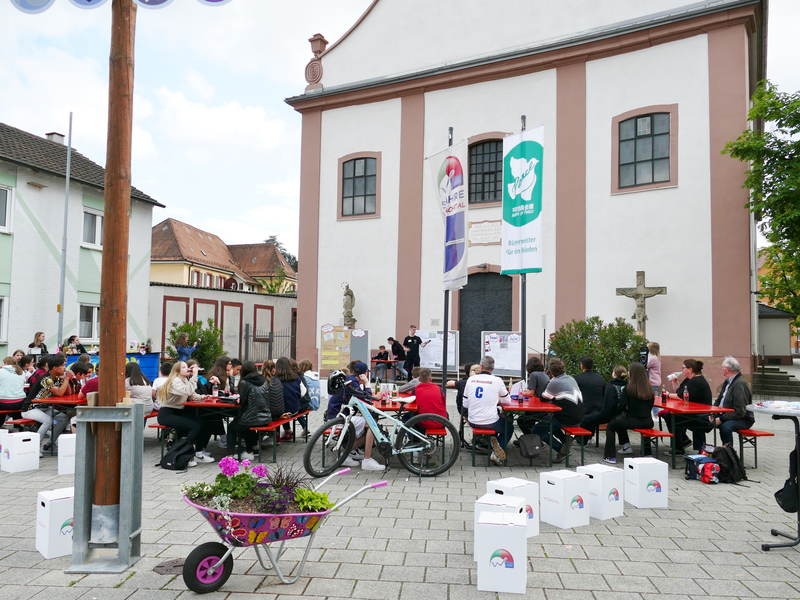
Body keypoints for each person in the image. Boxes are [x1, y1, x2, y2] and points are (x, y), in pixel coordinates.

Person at [326, 361, 385, 471]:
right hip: (339, 418)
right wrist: (367, 384)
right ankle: (366, 460)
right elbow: (366, 400)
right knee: (372, 424)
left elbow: (361, 397)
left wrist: (367, 392)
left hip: (336, 415)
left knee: (369, 426)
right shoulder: (352, 382)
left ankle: (348, 453)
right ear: (364, 374)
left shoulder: (350, 380)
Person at [156, 361, 214, 466]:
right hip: (167, 413)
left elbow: (191, 395)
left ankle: (199, 453)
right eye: (184, 367)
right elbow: (186, 391)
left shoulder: (184, 380)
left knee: (202, 422)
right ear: (177, 370)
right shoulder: (175, 381)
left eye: (187, 367)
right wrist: (194, 376)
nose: (187, 369)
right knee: (194, 426)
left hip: (178, 411)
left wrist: (203, 397)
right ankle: (182, 453)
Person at [531, 357, 584, 463]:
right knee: (550, 422)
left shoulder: (554, 383)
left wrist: (550, 382)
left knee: (537, 430)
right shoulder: (570, 378)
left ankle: (561, 450)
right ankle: (566, 440)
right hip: (579, 416)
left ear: (550, 372)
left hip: (566, 417)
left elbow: (543, 397)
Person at [463, 355, 512, 466]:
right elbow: (507, 401)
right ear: (493, 368)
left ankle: (489, 441)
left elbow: (465, 404)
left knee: (496, 422)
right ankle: (496, 451)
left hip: (473, 421)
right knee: (508, 426)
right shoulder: (497, 380)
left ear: (481, 366)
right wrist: (497, 399)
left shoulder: (471, 379)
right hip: (491, 422)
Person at [603, 363, 655, 464]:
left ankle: (610, 456)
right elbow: (651, 405)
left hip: (632, 420)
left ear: (633, 374)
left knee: (611, 426)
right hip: (648, 421)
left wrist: (617, 414)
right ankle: (647, 453)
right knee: (644, 429)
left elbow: (622, 406)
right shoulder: (650, 389)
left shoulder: (629, 388)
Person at [21, 355, 74, 452]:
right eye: (62, 366)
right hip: (30, 408)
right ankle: (36, 448)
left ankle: (50, 444)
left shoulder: (56, 378)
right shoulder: (46, 379)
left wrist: (65, 379)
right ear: (55, 368)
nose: (65, 368)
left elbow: (68, 393)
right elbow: (59, 393)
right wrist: (66, 379)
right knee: (48, 421)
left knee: (63, 418)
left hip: (44, 408)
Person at [663, 358, 713, 454]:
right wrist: (674, 381)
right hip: (692, 412)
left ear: (690, 369)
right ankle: (683, 441)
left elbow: (681, 397)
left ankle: (679, 446)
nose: (682, 370)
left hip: (701, 416)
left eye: (683, 368)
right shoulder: (689, 379)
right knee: (670, 415)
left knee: (671, 416)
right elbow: (679, 392)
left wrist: (667, 395)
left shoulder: (696, 381)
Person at [228, 361, 272, 459]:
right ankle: (253, 449)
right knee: (246, 421)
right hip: (266, 418)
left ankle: (230, 455)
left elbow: (243, 403)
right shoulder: (264, 380)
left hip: (252, 419)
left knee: (232, 426)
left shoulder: (245, 382)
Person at [709, 355, 755, 447]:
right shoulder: (728, 381)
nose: (721, 369)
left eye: (722, 367)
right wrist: (712, 412)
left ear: (727, 369)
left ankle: (728, 454)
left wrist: (721, 419)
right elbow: (719, 399)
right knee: (701, 420)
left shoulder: (739, 384)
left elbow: (740, 412)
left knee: (725, 427)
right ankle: (700, 449)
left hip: (743, 418)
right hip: (726, 414)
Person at [582, 365, 627, 443]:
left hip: (610, 414)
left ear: (615, 374)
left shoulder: (611, 386)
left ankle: (583, 441)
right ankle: (626, 444)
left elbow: (607, 405)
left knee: (588, 418)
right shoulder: (627, 385)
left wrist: (600, 412)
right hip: (623, 414)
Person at [275, 356, 310, 441]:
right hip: (295, 410)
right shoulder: (296, 378)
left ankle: (276, 436)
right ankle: (287, 432)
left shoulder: (275, 379)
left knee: (275, 412)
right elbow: (303, 393)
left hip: (281, 411)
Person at [517, 357, 551, 434]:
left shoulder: (533, 374)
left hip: (539, 409)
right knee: (527, 416)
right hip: (546, 406)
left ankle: (531, 440)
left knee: (521, 420)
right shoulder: (544, 374)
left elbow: (530, 393)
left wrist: (519, 393)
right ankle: (532, 439)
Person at [574, 356, 605, 427]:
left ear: (582, 366)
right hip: (597, 411)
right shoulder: (600, 378)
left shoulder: (578, 378)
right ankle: (589, 436)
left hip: (583, 411)